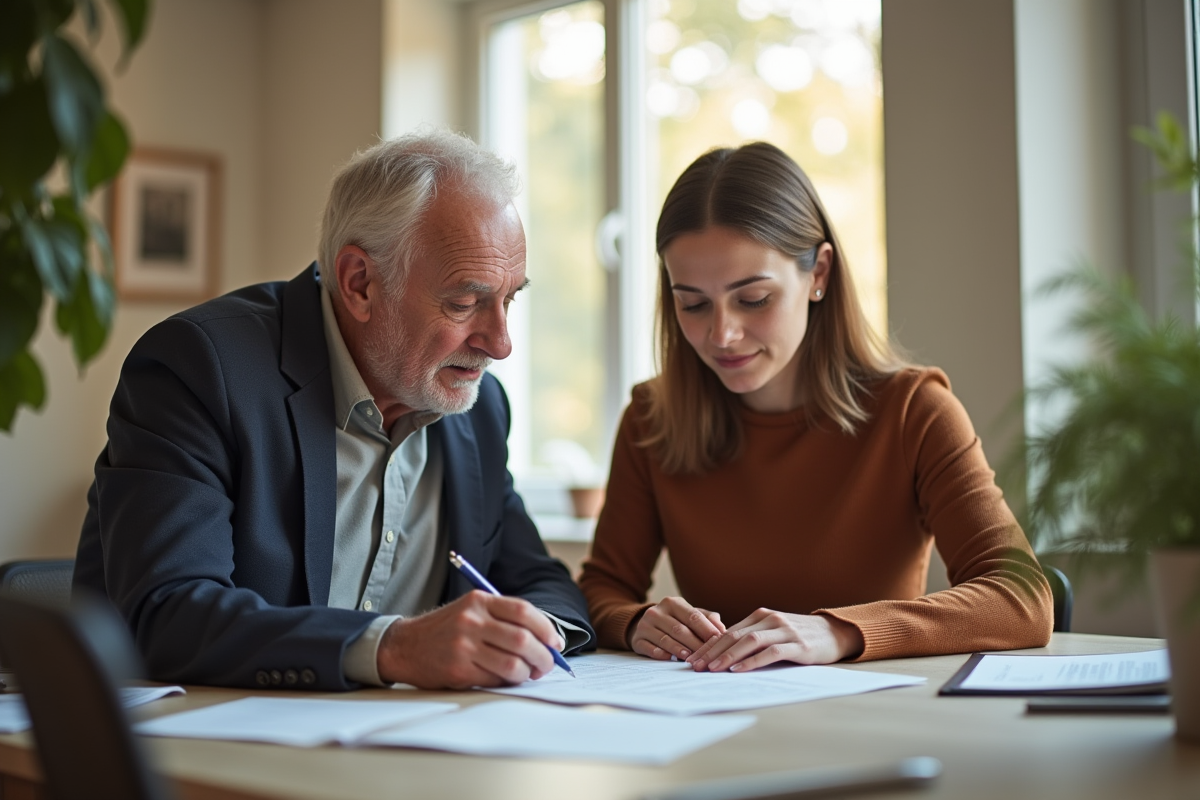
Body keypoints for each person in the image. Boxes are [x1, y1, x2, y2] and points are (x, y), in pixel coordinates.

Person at [74, 130, 593, 691]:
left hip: (404, 752)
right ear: (359, 283)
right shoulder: (199, 369)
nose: (500, 344)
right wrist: (391, 648)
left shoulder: (479, 406)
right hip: (194, 746)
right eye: (465, 303)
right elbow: (165, 616)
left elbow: (539, 580)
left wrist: (532, 634)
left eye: (509, 299)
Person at [578, 142, 1052, 673]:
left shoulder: (914, 412)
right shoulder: (651, 418)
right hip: (714, 720)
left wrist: (839, 632)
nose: (722, 334)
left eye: (753, 298)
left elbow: (1022, 597)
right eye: (692, 303)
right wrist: (636, 621)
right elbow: (602, 589)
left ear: (819, 274)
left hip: (870, 722)